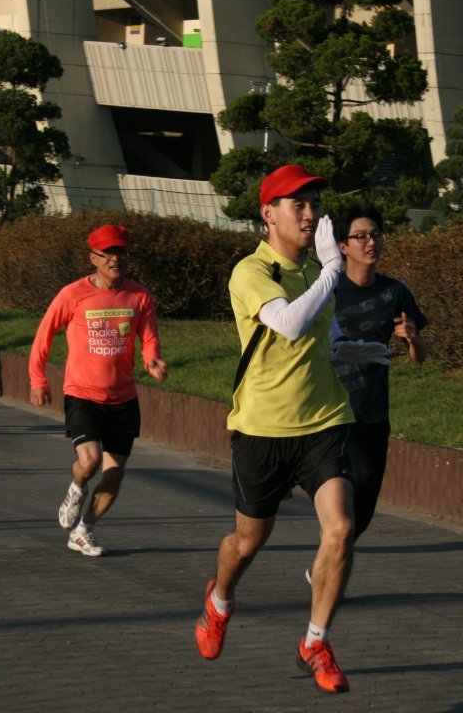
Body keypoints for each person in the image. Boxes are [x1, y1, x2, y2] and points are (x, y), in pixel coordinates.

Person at [194, 164, 356, 694]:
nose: (311, 214)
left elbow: (318, 338)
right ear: (269, 214)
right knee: (248, 541)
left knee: (340, 528)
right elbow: (287, 324)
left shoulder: (315, 270)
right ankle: (219, 601)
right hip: (263, 428)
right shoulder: (251, 271)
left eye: (314, 203)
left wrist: (359, 351)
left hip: (323, 420)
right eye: (298, 204)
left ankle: (316, 639)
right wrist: (334, 267)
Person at [28, 224, 167, 558]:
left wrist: (152, 361)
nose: (116, 259)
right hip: (83, 394)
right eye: (108, 254)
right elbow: (43, 336)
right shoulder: (72, 295)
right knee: (89, 461)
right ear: (94, 258)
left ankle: (83, 530)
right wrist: (38, 380)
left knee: (115, 473)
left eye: (121, 252)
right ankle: (76, 488)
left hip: (124, 399)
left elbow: (148, 338)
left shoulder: (139, 296)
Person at [332, 202, 428, 546]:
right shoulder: (328, 290)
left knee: (366, 501)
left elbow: (419, 357)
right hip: (331, 409)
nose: (371, 242)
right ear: (343, 246)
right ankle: (331, 562)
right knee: (337, 501)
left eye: (375, 235)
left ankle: (331, 558)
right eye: (361, 236)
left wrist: (413, 339)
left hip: (373, 409)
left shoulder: (394, 292)